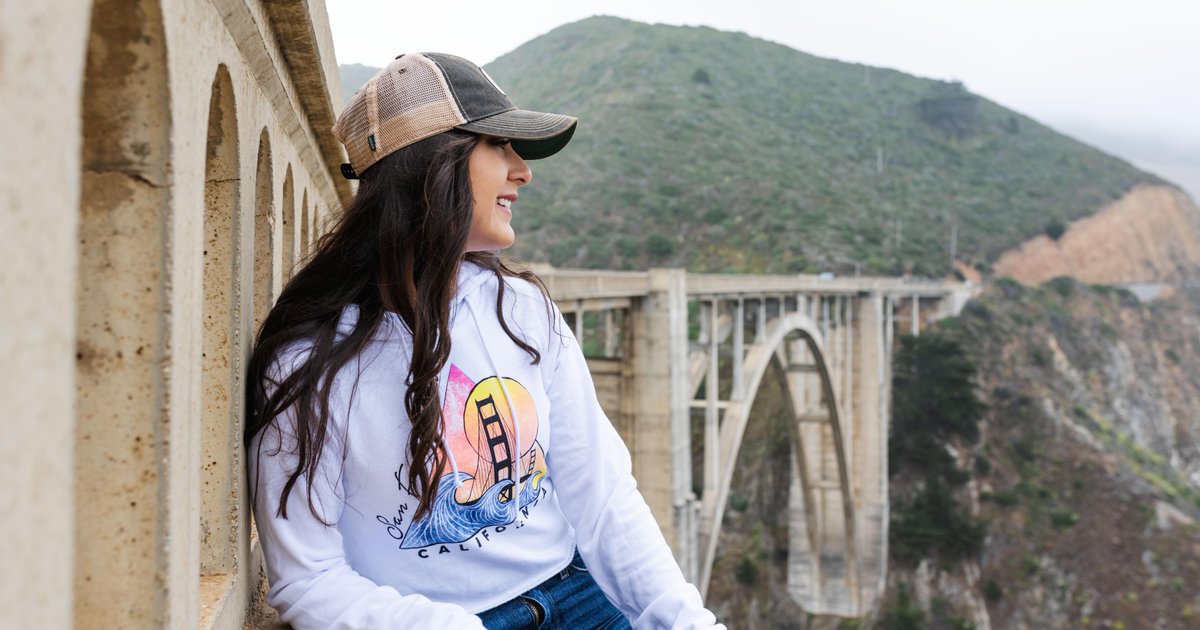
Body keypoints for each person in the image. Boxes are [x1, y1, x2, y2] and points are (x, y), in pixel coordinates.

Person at [245, 52, 724, 630]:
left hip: (575, 596)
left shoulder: (522, 312)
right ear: (433, 165)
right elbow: (307, 577)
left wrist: (684, 621)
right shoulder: (310, 361)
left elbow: (603, 498)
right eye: (500, 146)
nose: (523, 172)